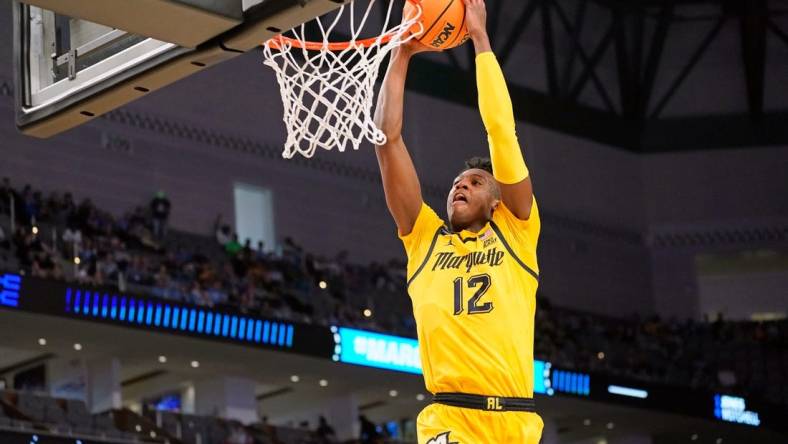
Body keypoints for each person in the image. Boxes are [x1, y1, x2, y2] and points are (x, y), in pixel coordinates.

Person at [372, 0, 543, 442]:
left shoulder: (516, 229)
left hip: (516, 423)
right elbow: (387, 141)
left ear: (497, 200)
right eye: (455, 182)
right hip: (450, 419)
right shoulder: (425, 239)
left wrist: (481, 38)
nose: (460, 186)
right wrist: (401, 54)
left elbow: (501, 130)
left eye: (475, 181)